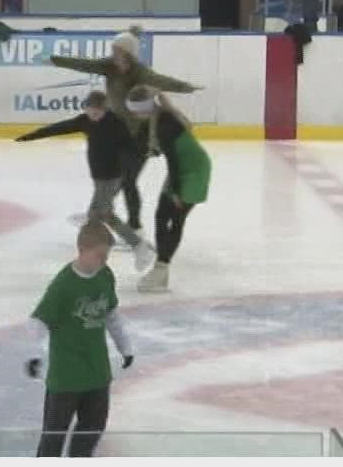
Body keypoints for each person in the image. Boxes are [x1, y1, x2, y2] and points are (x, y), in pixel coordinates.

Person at [49, 27, 201, 233]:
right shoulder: (108, 66)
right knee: (114, 178)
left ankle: (134, 227)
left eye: (117, 48)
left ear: (127, 52)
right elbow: (84, 64)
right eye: (113, 47)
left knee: (127, 181)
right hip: (117, 133)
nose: (113, 51)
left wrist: (184, 86)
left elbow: (160, 81)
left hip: (140, 135)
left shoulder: (139, 71)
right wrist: (55, 60)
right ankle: (98, 212)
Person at [26, 221, 135, 458]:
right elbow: (38, 320)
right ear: (82, 249)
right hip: (66, 377)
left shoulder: (104, 275)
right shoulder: (64, 285)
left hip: (97, 373)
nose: (104, 261)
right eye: (100, 255)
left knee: (91, 432)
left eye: (107, 255)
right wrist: (35, 355)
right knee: (53, 439)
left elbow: (112, 315)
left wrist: (125, 348)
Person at [14, 90, 157, 268]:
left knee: (101, 214)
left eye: (97, 111)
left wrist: (147, 152)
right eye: (90, 110)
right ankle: (115, 244)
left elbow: (131, 147)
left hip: (112, 176)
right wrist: (30, 136)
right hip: (99, 177)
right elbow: (60, 127)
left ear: (105, 109)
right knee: (101, 215)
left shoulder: (115, 124)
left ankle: (137, 246)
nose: (93, 114)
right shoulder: (85, 120)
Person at [124, 86, 211, 294]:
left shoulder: (165, 123)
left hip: (193, 170)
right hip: (180, 169)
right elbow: (138, 146)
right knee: (161, 216)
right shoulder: (152, 121)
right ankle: (160, 271)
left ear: (144, 108)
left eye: (135, 110)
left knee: (177, 218)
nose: (134, 114)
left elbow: (173, 160)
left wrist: (176, 192)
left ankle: (161, 270)